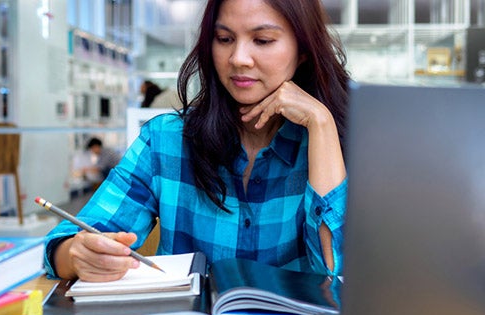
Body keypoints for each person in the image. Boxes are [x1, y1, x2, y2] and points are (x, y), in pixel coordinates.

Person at [44, 0, 350, 283]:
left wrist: (321, 125)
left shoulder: (342, 143)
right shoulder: (166, 140)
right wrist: (78, 255)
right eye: (225, 39)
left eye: (263, 40)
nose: (238, 59)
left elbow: (338, 272)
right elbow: (66, 243)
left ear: (304, 51)